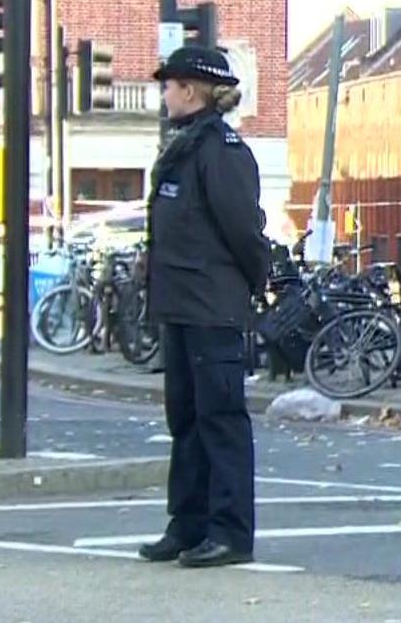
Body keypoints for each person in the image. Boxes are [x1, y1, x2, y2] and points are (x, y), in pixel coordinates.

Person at [138, 45, 270, 569]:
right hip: (182, 306)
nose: (164, 93)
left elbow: (244, 229)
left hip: (212, 307)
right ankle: (187, 524)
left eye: (168, 85)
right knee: (186, 420)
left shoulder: (221, 150)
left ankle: (230, 532)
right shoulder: (187, 146)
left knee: (220, 420)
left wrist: (255, 283)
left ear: (191, 90)